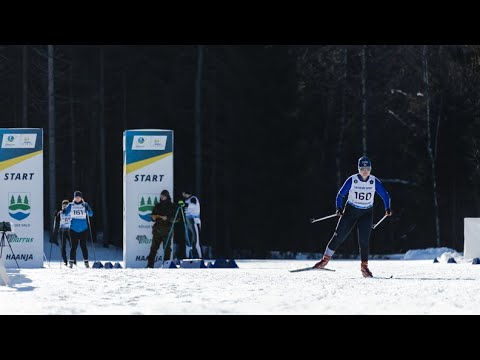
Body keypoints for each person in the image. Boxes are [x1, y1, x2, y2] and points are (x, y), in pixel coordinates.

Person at [314, 156, 392, 277]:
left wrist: (387, 208)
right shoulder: (353, 180)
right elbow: (340, 195)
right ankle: (324, 260)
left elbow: (385, 195)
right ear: (358, 169)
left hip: (366, 213)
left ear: (370, 169)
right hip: (351, 211)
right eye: (362, 168)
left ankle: (364, 267)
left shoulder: (374, 181)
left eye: (367, 168)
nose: (365, 171)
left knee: (364, 240)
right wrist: (339, 208)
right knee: (339, 235)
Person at [63, 191, 93, 268]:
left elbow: (91, 214)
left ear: (81, 197)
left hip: (84, 229)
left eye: (79, 197)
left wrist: (88, 209)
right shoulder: (71, 205)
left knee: (83, 246)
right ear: (74, 198)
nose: (77, 198)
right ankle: (71, 263)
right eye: (76, 197)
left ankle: (86, 262)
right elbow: (65, 213)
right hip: (73, 229)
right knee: (73, 246)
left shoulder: (84, 204)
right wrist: (64, 210)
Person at [146, 190, 176, 268]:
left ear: (167, 196)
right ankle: (150, 265)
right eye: (161, 196)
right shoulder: (157, 205)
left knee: (167, 249)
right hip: (157, 230)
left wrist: (167, 218)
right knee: (153, 249)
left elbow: (177, 218)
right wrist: (153, 217)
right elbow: (153, 217)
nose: (162, 197)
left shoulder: (172, 206)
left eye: (164, 196)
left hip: (167, 231)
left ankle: (166, 265)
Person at [51, 199, 72, 266]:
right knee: (63, 247)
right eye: (63, 205)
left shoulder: (71, 212)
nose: (64, 207)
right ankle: (65, 261)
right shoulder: (60, 213)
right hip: (62, 230)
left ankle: (72, 260)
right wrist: (55, 215)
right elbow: (56, 220)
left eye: (66, 205)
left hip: (70, 230)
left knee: (73, 245)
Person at [182, 191, 202, 259]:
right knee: (187, 241)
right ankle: (187, 257)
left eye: (184, 193)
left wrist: (185, 205)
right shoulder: (186, 200)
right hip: (188, 222)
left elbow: (193, 205)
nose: (183, 194)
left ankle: (199, 257)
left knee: (196, 241)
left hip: (194, 221)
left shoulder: (193, 198)